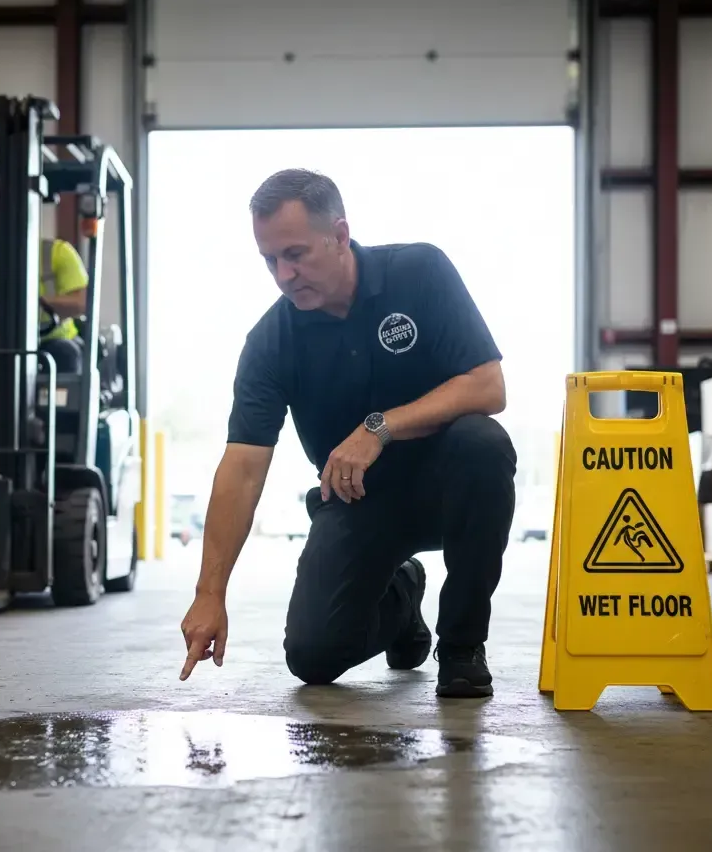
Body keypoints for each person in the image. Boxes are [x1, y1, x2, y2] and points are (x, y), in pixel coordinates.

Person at [179, 168, 517, 698]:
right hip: (358, 503)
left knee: (484, 443)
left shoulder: (419, 272)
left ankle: (461, 647)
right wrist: (209, 593)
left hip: (451, 488)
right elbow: (243, 467)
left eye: (295, 254)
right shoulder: (272, 341)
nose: (283, 274)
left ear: (339, 236)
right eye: (270, 260)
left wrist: (379, 428)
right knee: (313, 657)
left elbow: (489, 386)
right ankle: (403, 599)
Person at [0, 165, 89, 373]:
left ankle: (61, 406)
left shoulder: (59, 253)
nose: (9, 215)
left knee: (64, 354)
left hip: (54, 340)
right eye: (0, 210)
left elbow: (81, 303)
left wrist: (38, 302)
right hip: (2, 344)